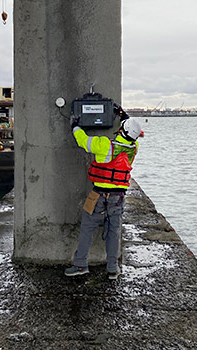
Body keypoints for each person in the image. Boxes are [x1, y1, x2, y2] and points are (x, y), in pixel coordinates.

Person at [65, 107, 141, 280]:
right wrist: (123, 115)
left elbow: (83, 141)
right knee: (114, 232)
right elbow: (131, 132)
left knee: (87, 229)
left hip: (98, 196)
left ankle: (80, 265)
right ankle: (113, 269)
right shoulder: (134, 147)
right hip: (118, 198)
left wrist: (75, 126)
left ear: (121, 130)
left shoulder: (105, 145)